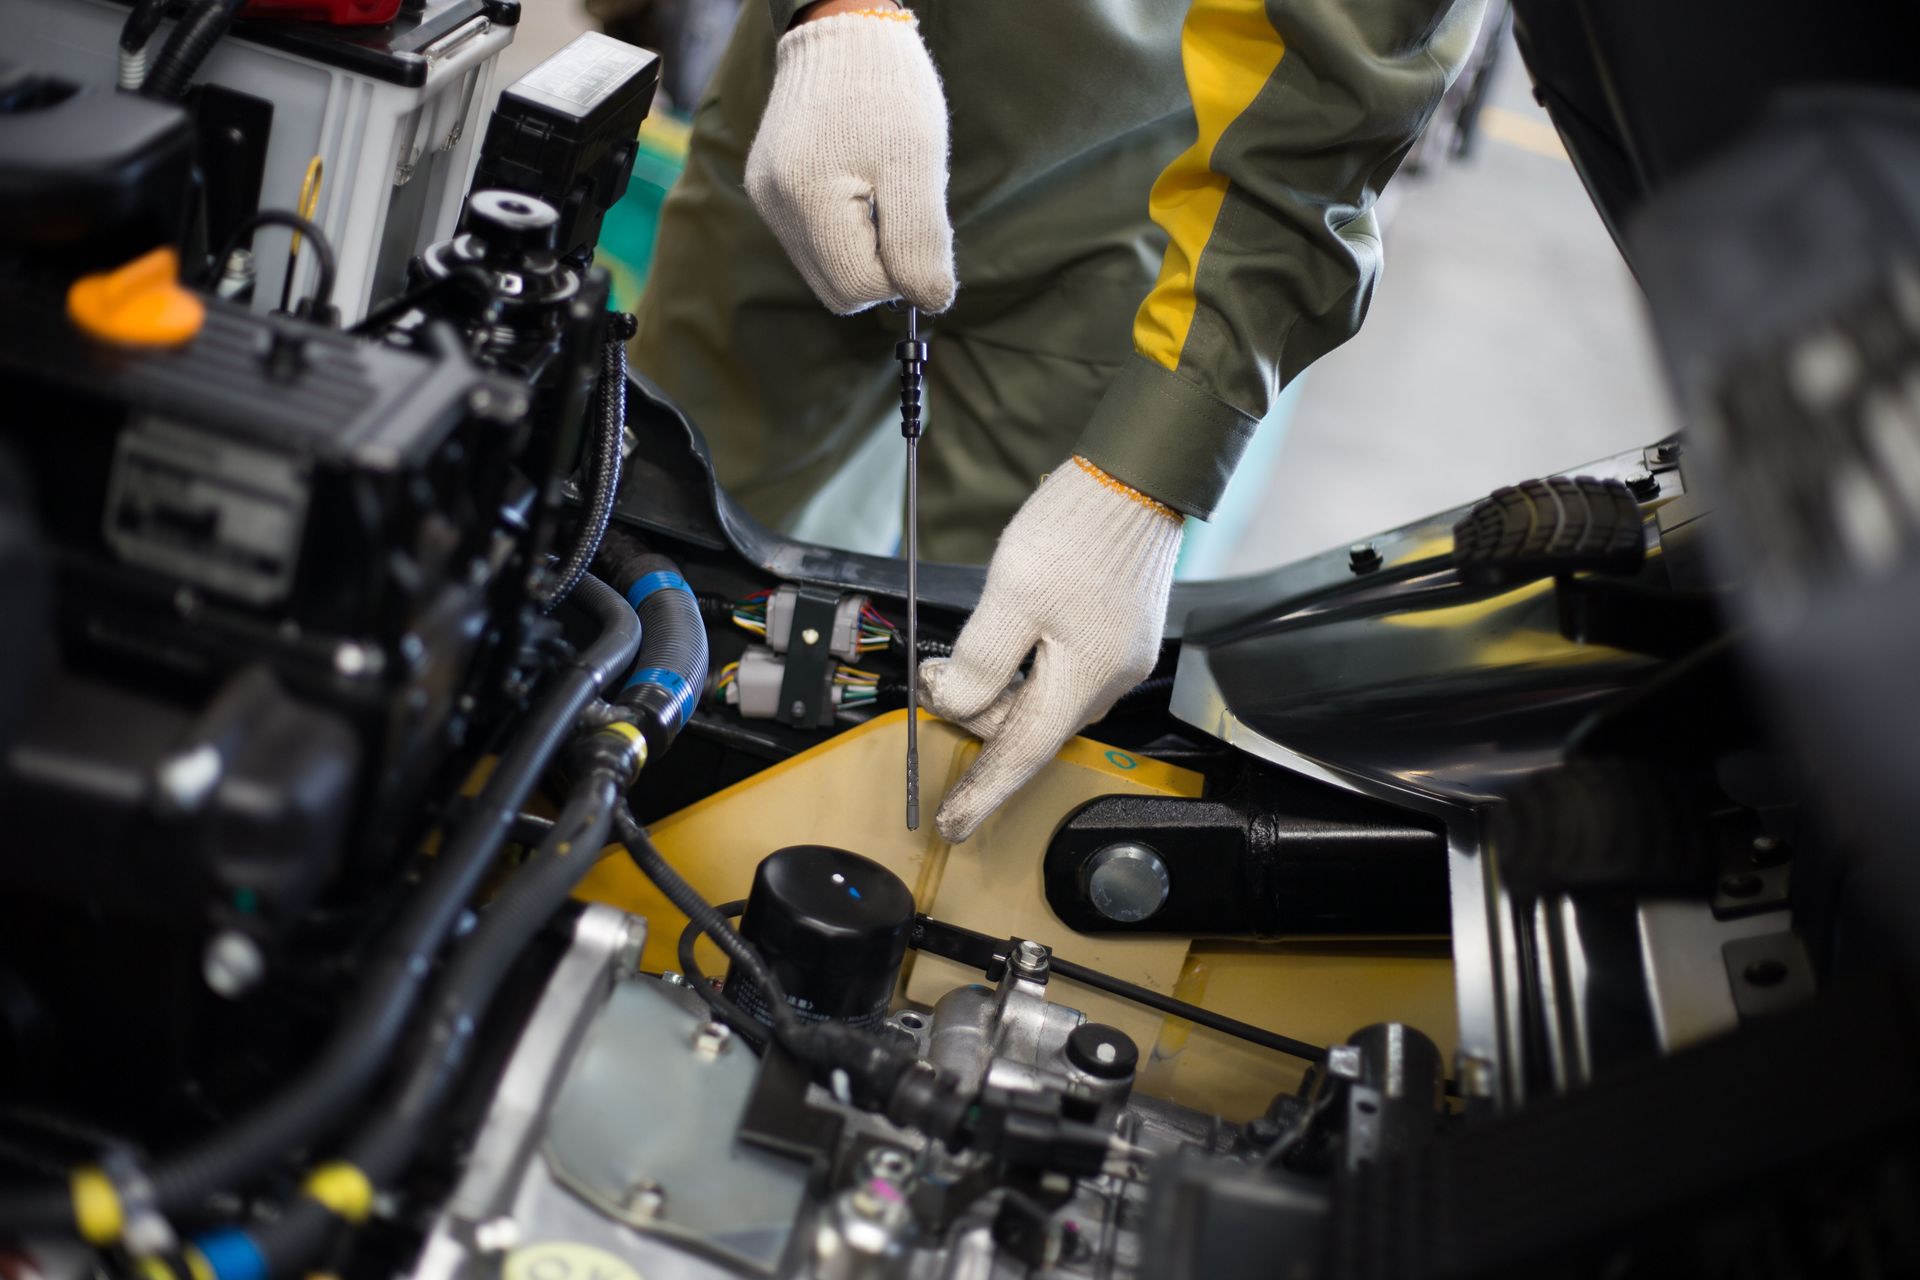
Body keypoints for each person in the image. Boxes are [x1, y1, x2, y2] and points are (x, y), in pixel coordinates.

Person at [631, 0, 1486, 842]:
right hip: (824, 92)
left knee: (981, 696)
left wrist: (1147, 473)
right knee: (646, 547)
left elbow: (1349, 70)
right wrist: (834, 13)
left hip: (1130, 215)